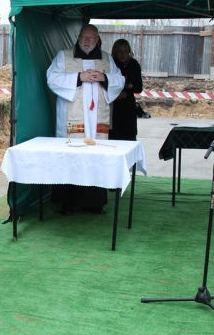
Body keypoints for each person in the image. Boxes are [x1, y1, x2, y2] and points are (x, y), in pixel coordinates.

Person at [46, 24, 125, 215]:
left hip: (97, 121)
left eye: (91, 38)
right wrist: (78, 77)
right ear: (78, 37)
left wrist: (104, 78)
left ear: (98, 39)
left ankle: (93, 202)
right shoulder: (64, 56)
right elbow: (51, 78)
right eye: (83, 37)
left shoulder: (106, 58)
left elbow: (120, 80)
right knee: (71, 155)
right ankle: (68, 202)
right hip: (72, 118)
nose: (87, 41)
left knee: (96, 156)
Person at [108, 39, 143, 141]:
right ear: (115, 52)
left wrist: (130, 86)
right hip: (113, 106)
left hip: (128, 107)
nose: (123, 54)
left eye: (126, 51)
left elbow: (139, 88)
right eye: (120, 51)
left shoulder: (134, 65)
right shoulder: (110, 64)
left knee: (129, 137)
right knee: (113, 137)